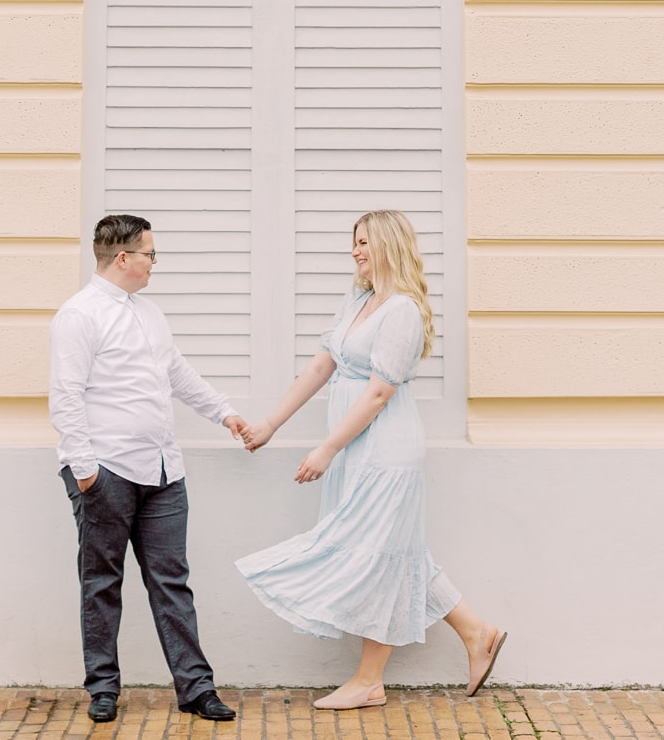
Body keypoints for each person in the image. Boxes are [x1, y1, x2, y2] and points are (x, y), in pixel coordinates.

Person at [234, 209, 507, 707]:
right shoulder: (359, 299)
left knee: (378, 557)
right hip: (356, 449)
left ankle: (369, 681)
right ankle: (477, 633)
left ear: (388, 245)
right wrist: (271, 425)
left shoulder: (401, 310)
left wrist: (326, 448)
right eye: (353, 242)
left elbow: (379, 393)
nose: (356, 251)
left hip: (385, 452)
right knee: (397, 554)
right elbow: (321, 366)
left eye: (364, 242)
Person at [49, 212, 249, 723]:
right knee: (101, 581)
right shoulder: (80, 315)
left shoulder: (149, 313)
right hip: (106, 471)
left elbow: (176, 372)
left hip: (162, 472)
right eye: (150, 254)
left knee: (171, 580)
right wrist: (85, 470)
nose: (154, 262)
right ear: (123, 258)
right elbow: (66, 395)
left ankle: (196, 688)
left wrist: (225, 412)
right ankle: (103, 688)